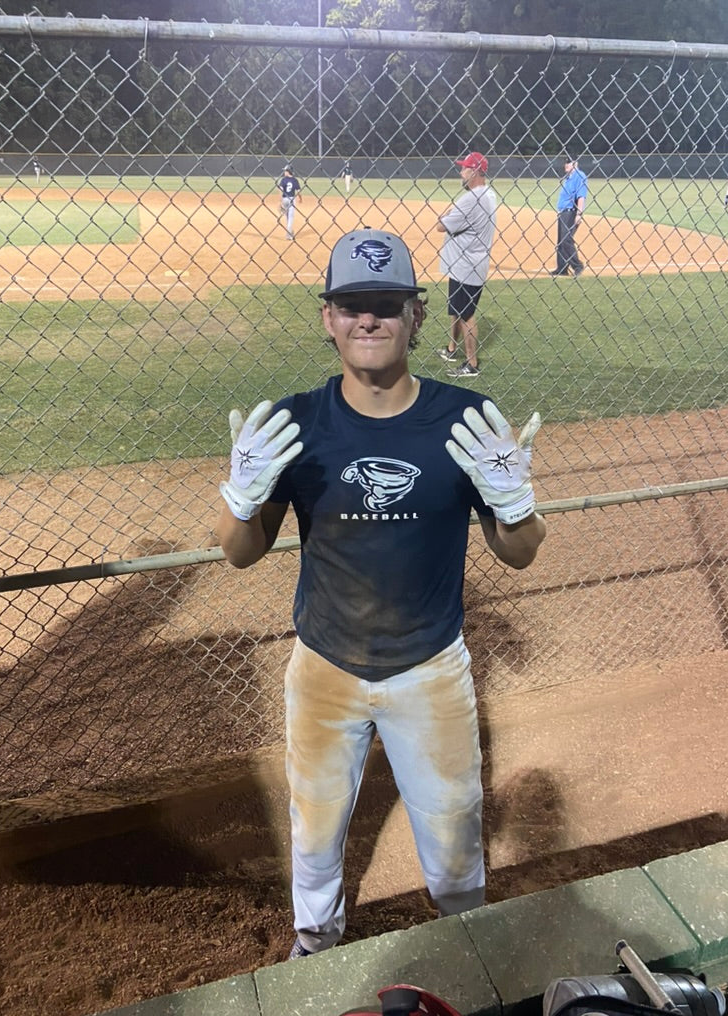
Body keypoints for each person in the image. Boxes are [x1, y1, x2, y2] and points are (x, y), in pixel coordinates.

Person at [216, 227, 547, 961]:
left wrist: (516, 503)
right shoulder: (297, 424)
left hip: (428, 669)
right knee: (315, 835)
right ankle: (315, 947)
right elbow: (240, 555)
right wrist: (240, 497)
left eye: (387, 305)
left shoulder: (465, 420)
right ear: (327, 316)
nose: (370, 320)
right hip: (326, 667)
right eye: (353, 305)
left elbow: (519, 555)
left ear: (418, 314)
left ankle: (469, 956)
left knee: (457, 847)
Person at [435, 151, 497, 378]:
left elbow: (440, 226)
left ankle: (471, 364)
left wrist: (446, 213)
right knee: (456, 310)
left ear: (475, 172)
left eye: (464, 168)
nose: (461, 172)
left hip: (467, 265)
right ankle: (452, 349)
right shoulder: (488, 194)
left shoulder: (471, 199)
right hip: (467, 263)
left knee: (466, 314)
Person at [550, 155, 587, 277]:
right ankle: (562, 268)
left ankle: (577, 265)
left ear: (575, 164)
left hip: (571, 212)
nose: (566, 164)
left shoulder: (579, 176)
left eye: (569, 162)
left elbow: (581, 196)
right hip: (563, 212)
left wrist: (579, 214)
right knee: (561, 242)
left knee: (566, 239)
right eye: (565, 162)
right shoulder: (568, 178)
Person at [278, 165, 301, 240]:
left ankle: (290, 231)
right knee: (290, 217)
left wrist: (280, 202)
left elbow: (281, 191)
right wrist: (300, 198)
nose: (284, 172)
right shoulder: (295, 180)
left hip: (284, 199)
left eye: (285, 171)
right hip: (291, 199)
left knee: (287, 216)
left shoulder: (283, 180)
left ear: (288, 172)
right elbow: (298, 191)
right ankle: (289, 234)